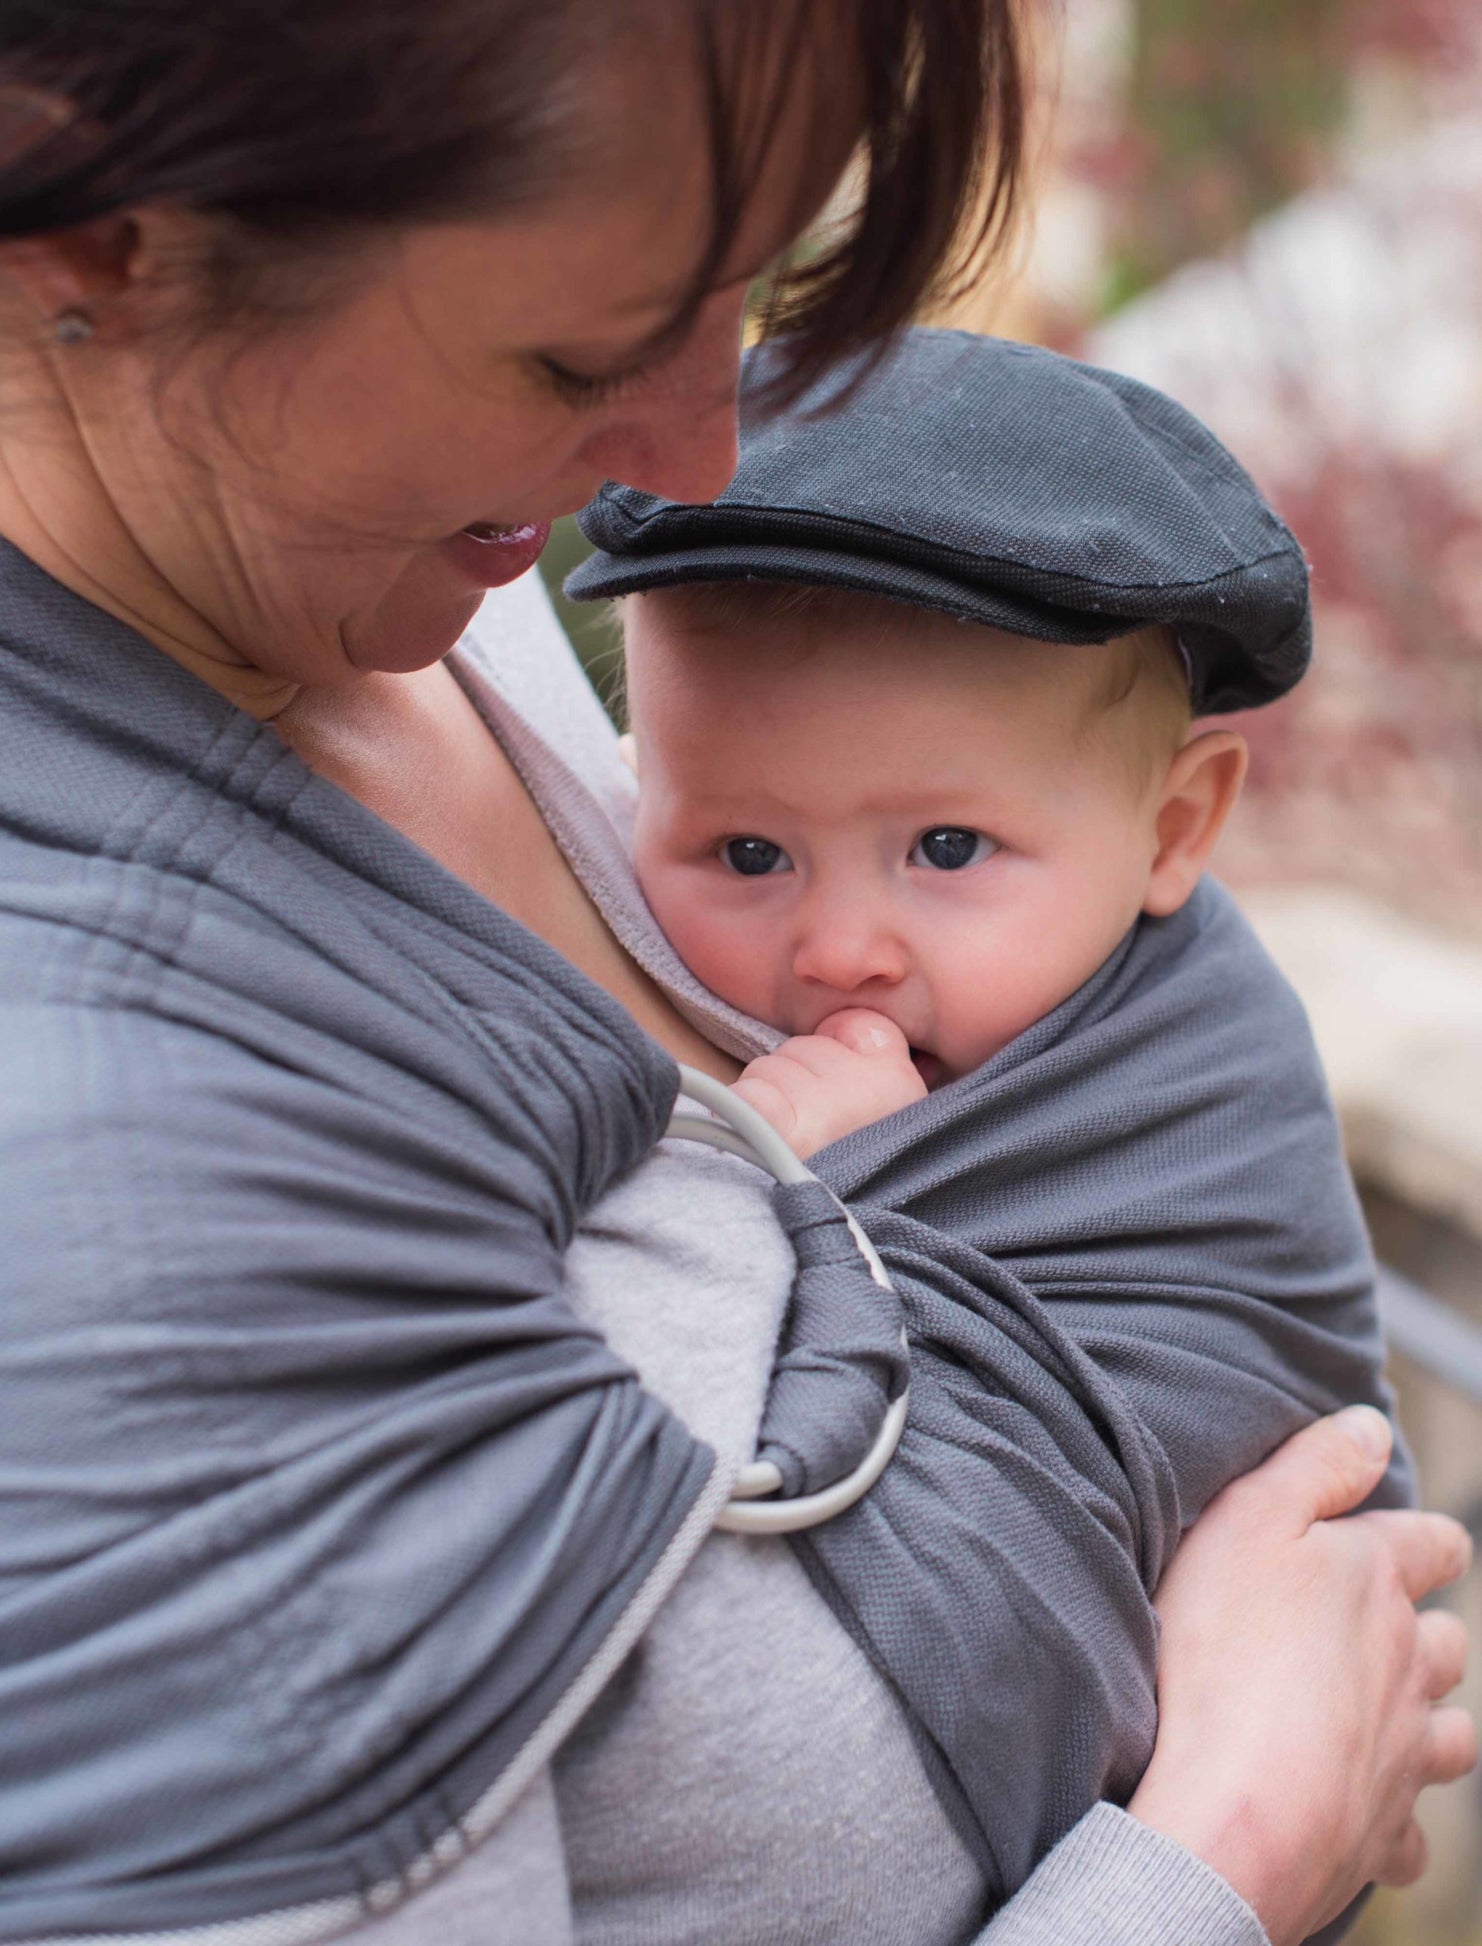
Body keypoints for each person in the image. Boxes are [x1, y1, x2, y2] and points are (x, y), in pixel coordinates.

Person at [0, 7, 1468, 1946]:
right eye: (582, 346)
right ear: (89, 217)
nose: (696, 455)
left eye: (744, 288)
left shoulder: (349, 561)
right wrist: (1222, 1843)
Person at [544, 327, 1414, 1902]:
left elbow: (1212, 1359)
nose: (839, 947)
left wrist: (843, 1199)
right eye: (744, 852)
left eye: (944, 846)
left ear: (1174, 826)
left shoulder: (1189, 1075)